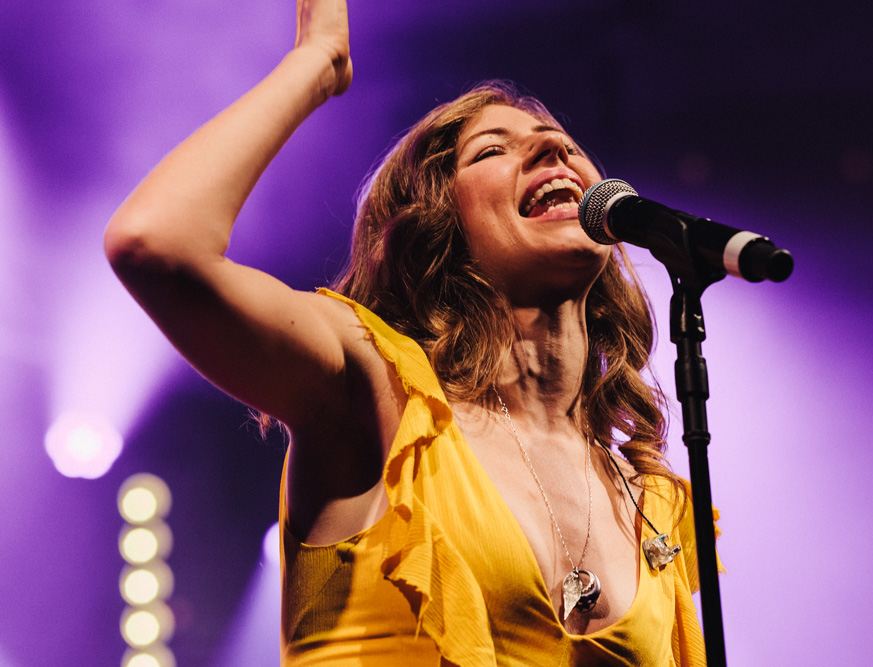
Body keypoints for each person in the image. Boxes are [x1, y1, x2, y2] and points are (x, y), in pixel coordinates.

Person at [105, 1, 718, 664]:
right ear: (435, 228)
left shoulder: (649, 497)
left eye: (564, 143)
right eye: (493, 149)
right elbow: (154, 243)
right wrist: (316, 64)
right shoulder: (375, 388)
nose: (555, 147)